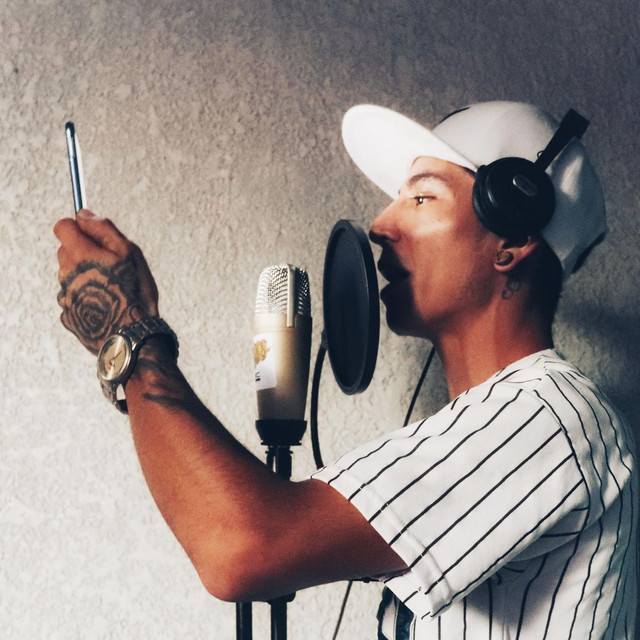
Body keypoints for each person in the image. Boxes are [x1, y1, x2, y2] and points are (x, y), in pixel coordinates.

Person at [54, 101, 637, 639]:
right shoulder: (490, 426)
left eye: (421, 199)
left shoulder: (549, 417)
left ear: (513, 237)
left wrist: (131, 332)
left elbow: (240, 546)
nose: (380, 225)